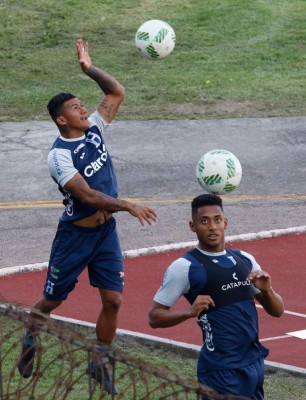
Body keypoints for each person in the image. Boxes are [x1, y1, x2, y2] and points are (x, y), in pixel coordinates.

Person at [18, 38, 157, 394]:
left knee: (113, 300)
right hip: (76, 237)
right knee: (52, 300)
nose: (84, 110)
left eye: (84, 106)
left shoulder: (95, 128)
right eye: (77, 108)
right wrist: (127, 205)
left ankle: (99, 360)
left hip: (105, 234)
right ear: (61, 119)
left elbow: (116, 91)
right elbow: (88, 195)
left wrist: (88, 69)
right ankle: (31, 335)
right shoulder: (58, 156)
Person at [148, 194, 284, 400]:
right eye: (204, 221)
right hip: (220, 370)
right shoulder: (184, 267)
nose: (212, 226)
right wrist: (189, 312)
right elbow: (154, 317)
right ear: (192, 226)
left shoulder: (245, 260)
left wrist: (267, 290)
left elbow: (277, 311)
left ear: (225, 223)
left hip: (254, 364)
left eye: (217, 220)